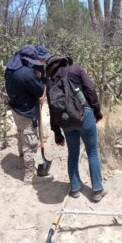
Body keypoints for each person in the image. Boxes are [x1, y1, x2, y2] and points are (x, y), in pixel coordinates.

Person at [45, 54, 107, 202]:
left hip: (66, 122)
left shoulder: (51, 82)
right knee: (92, 152)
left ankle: (75, 189)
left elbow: (53, 109)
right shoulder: (75, 69)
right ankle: (97, 190)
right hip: (83, 115)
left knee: (73, 153)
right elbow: (90, 90)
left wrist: (57, 132)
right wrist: (97, 111)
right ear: (64, 62)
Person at [4, 45, 49, 183]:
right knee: (30, 142)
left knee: (21, 135)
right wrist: (39, 78)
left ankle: (21, 162)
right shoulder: (26, 73)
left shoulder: (10, 68)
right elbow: (38, 91)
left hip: (16, 109)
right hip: (27, 111)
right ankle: (29, 176)